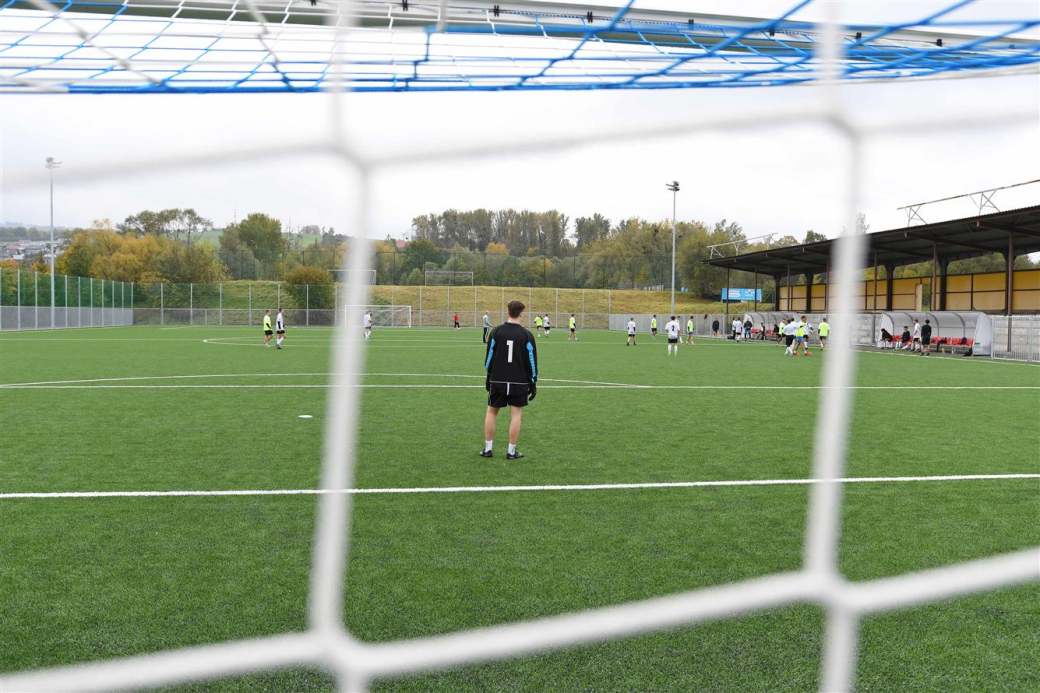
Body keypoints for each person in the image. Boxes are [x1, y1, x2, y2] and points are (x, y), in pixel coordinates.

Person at [480, 300, 538, 460]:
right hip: (518, 381)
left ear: (508, 312)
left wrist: (488, 375)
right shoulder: (527, 335)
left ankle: (488, 449)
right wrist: (533, 382)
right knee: (516, 414)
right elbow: (531, 361)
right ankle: (511, 452)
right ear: (521, 313)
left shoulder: (496, 332)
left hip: (497, 380)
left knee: (491, 411)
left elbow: (489, 358)